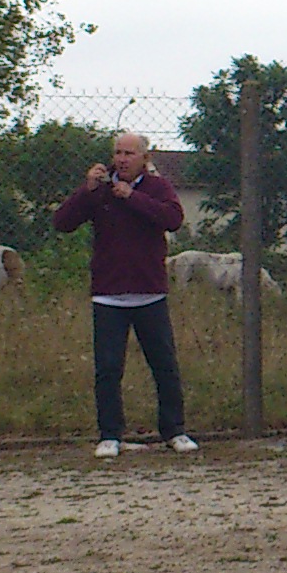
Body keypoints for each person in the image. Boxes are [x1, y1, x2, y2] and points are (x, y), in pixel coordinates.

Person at [53, 131, 198, 457]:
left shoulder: (157, 188)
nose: (122, 159)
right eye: (118, 152)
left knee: (164, 366)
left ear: (144, 158)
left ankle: (174, 431)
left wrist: (131, 198)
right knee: (107, 368)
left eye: (129, 153)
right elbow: (62, 222)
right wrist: (86, 190)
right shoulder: (99, 190)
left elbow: (173, 219)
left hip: (149, 292)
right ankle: (110, 435)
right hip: (108, 295)